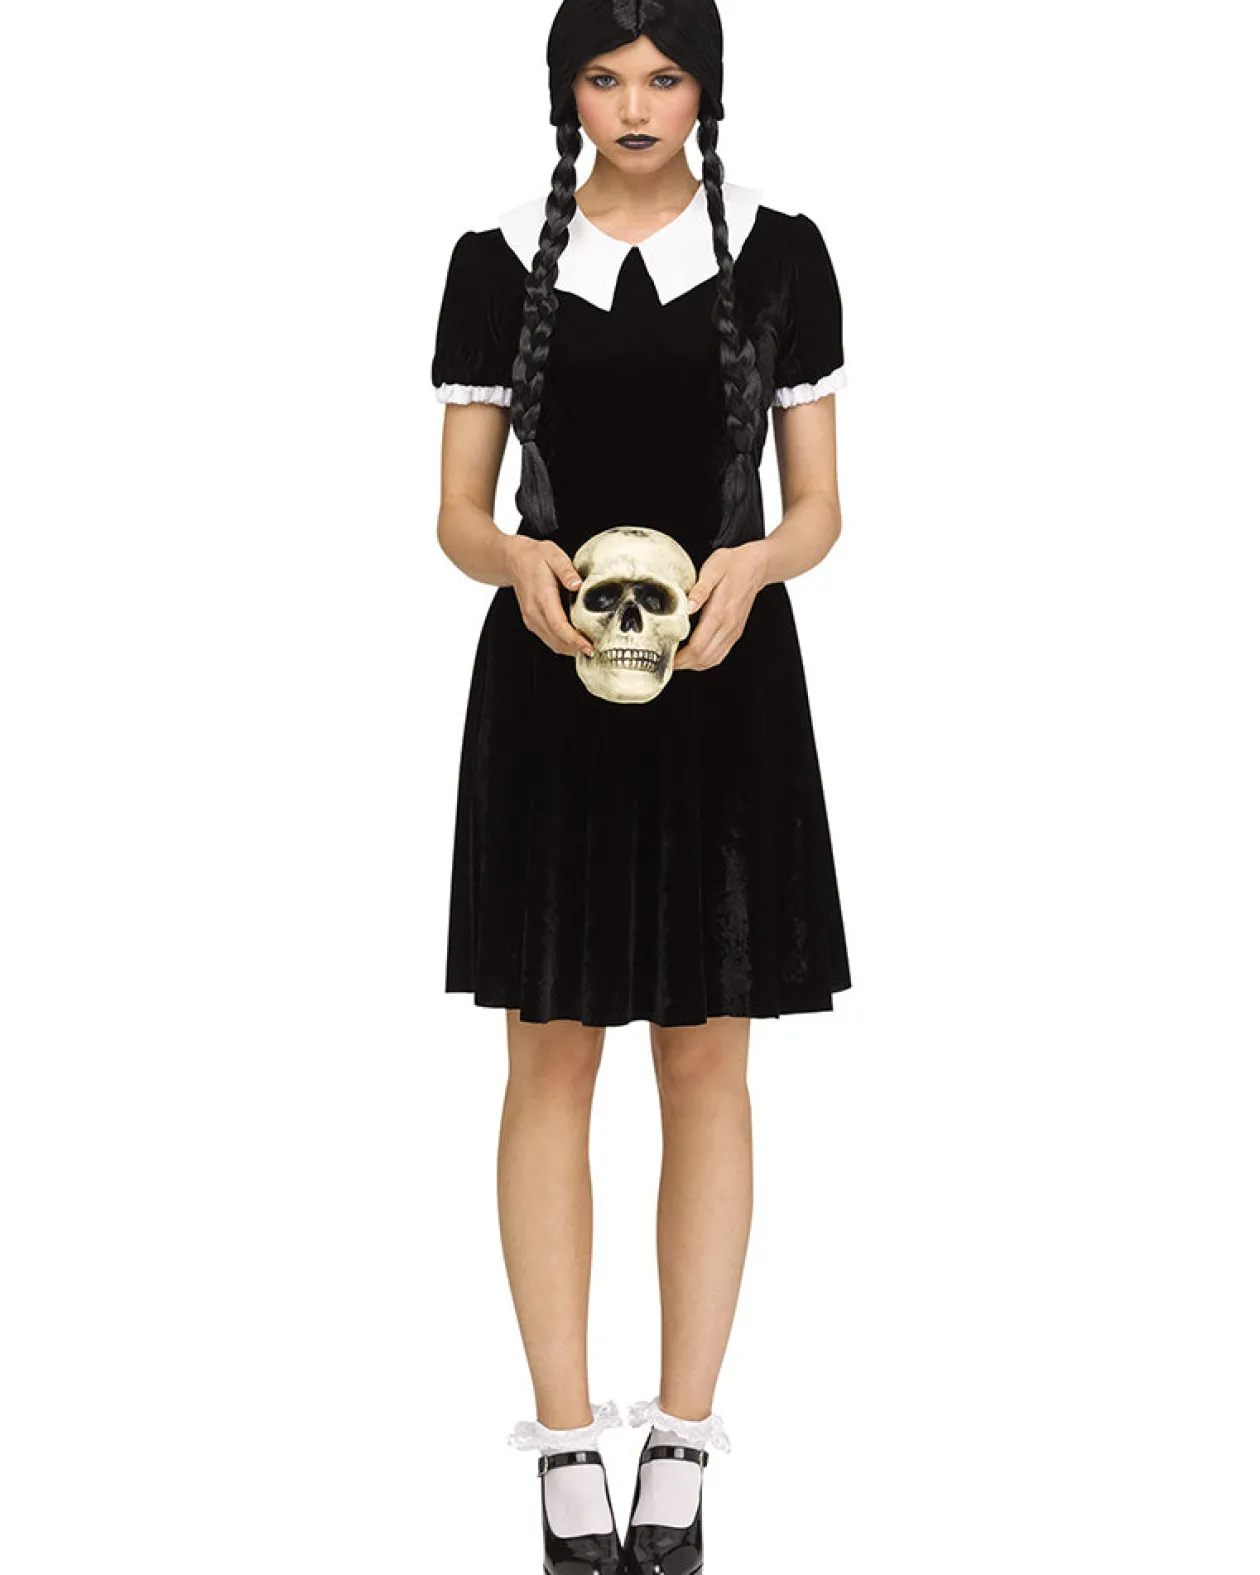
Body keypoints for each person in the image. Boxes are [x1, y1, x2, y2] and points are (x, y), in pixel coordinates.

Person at [430, 1, 851, 1568]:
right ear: (565, 92)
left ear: (705, 89)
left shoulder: (782, 257)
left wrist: (754, 567)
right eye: (603, 78)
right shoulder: (495, 264)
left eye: (664, 77)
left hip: (726, 683)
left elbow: (819, 507)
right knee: (549, 1059)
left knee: (705, 1062)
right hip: (550, 688)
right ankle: (561, 1445)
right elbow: (457, 513)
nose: (633, 104)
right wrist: (516, 563)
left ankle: (681, 1438)